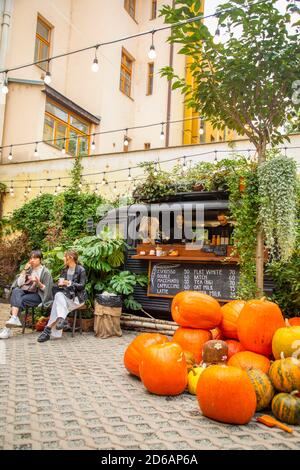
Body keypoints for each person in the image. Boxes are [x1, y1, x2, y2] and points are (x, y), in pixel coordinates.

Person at [0, 250, 53, 340]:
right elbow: (19, 284)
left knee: (18, 300)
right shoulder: (29, 269)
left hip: (38, 295)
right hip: (26, 292)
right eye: (31, 258)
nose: (32, 260)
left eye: (35, 258)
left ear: (40, 259)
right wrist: (24, 270)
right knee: (16, 291)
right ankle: (14, 318)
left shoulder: (45, 272)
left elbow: (46, 289)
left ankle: (8, 328)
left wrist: (38, 282)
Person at [37, 250, 87, 343]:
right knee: (59, 295)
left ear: (70, 258)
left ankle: (47, 331)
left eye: (65, 257)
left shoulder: (81, 269)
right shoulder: (64, 270)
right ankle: (61, 320)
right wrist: (59, 284)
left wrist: (69, 283)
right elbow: (61, 285)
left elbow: (82, 286)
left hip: (77, 299)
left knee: (57, 303)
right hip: (66, 297)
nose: (63, 258)